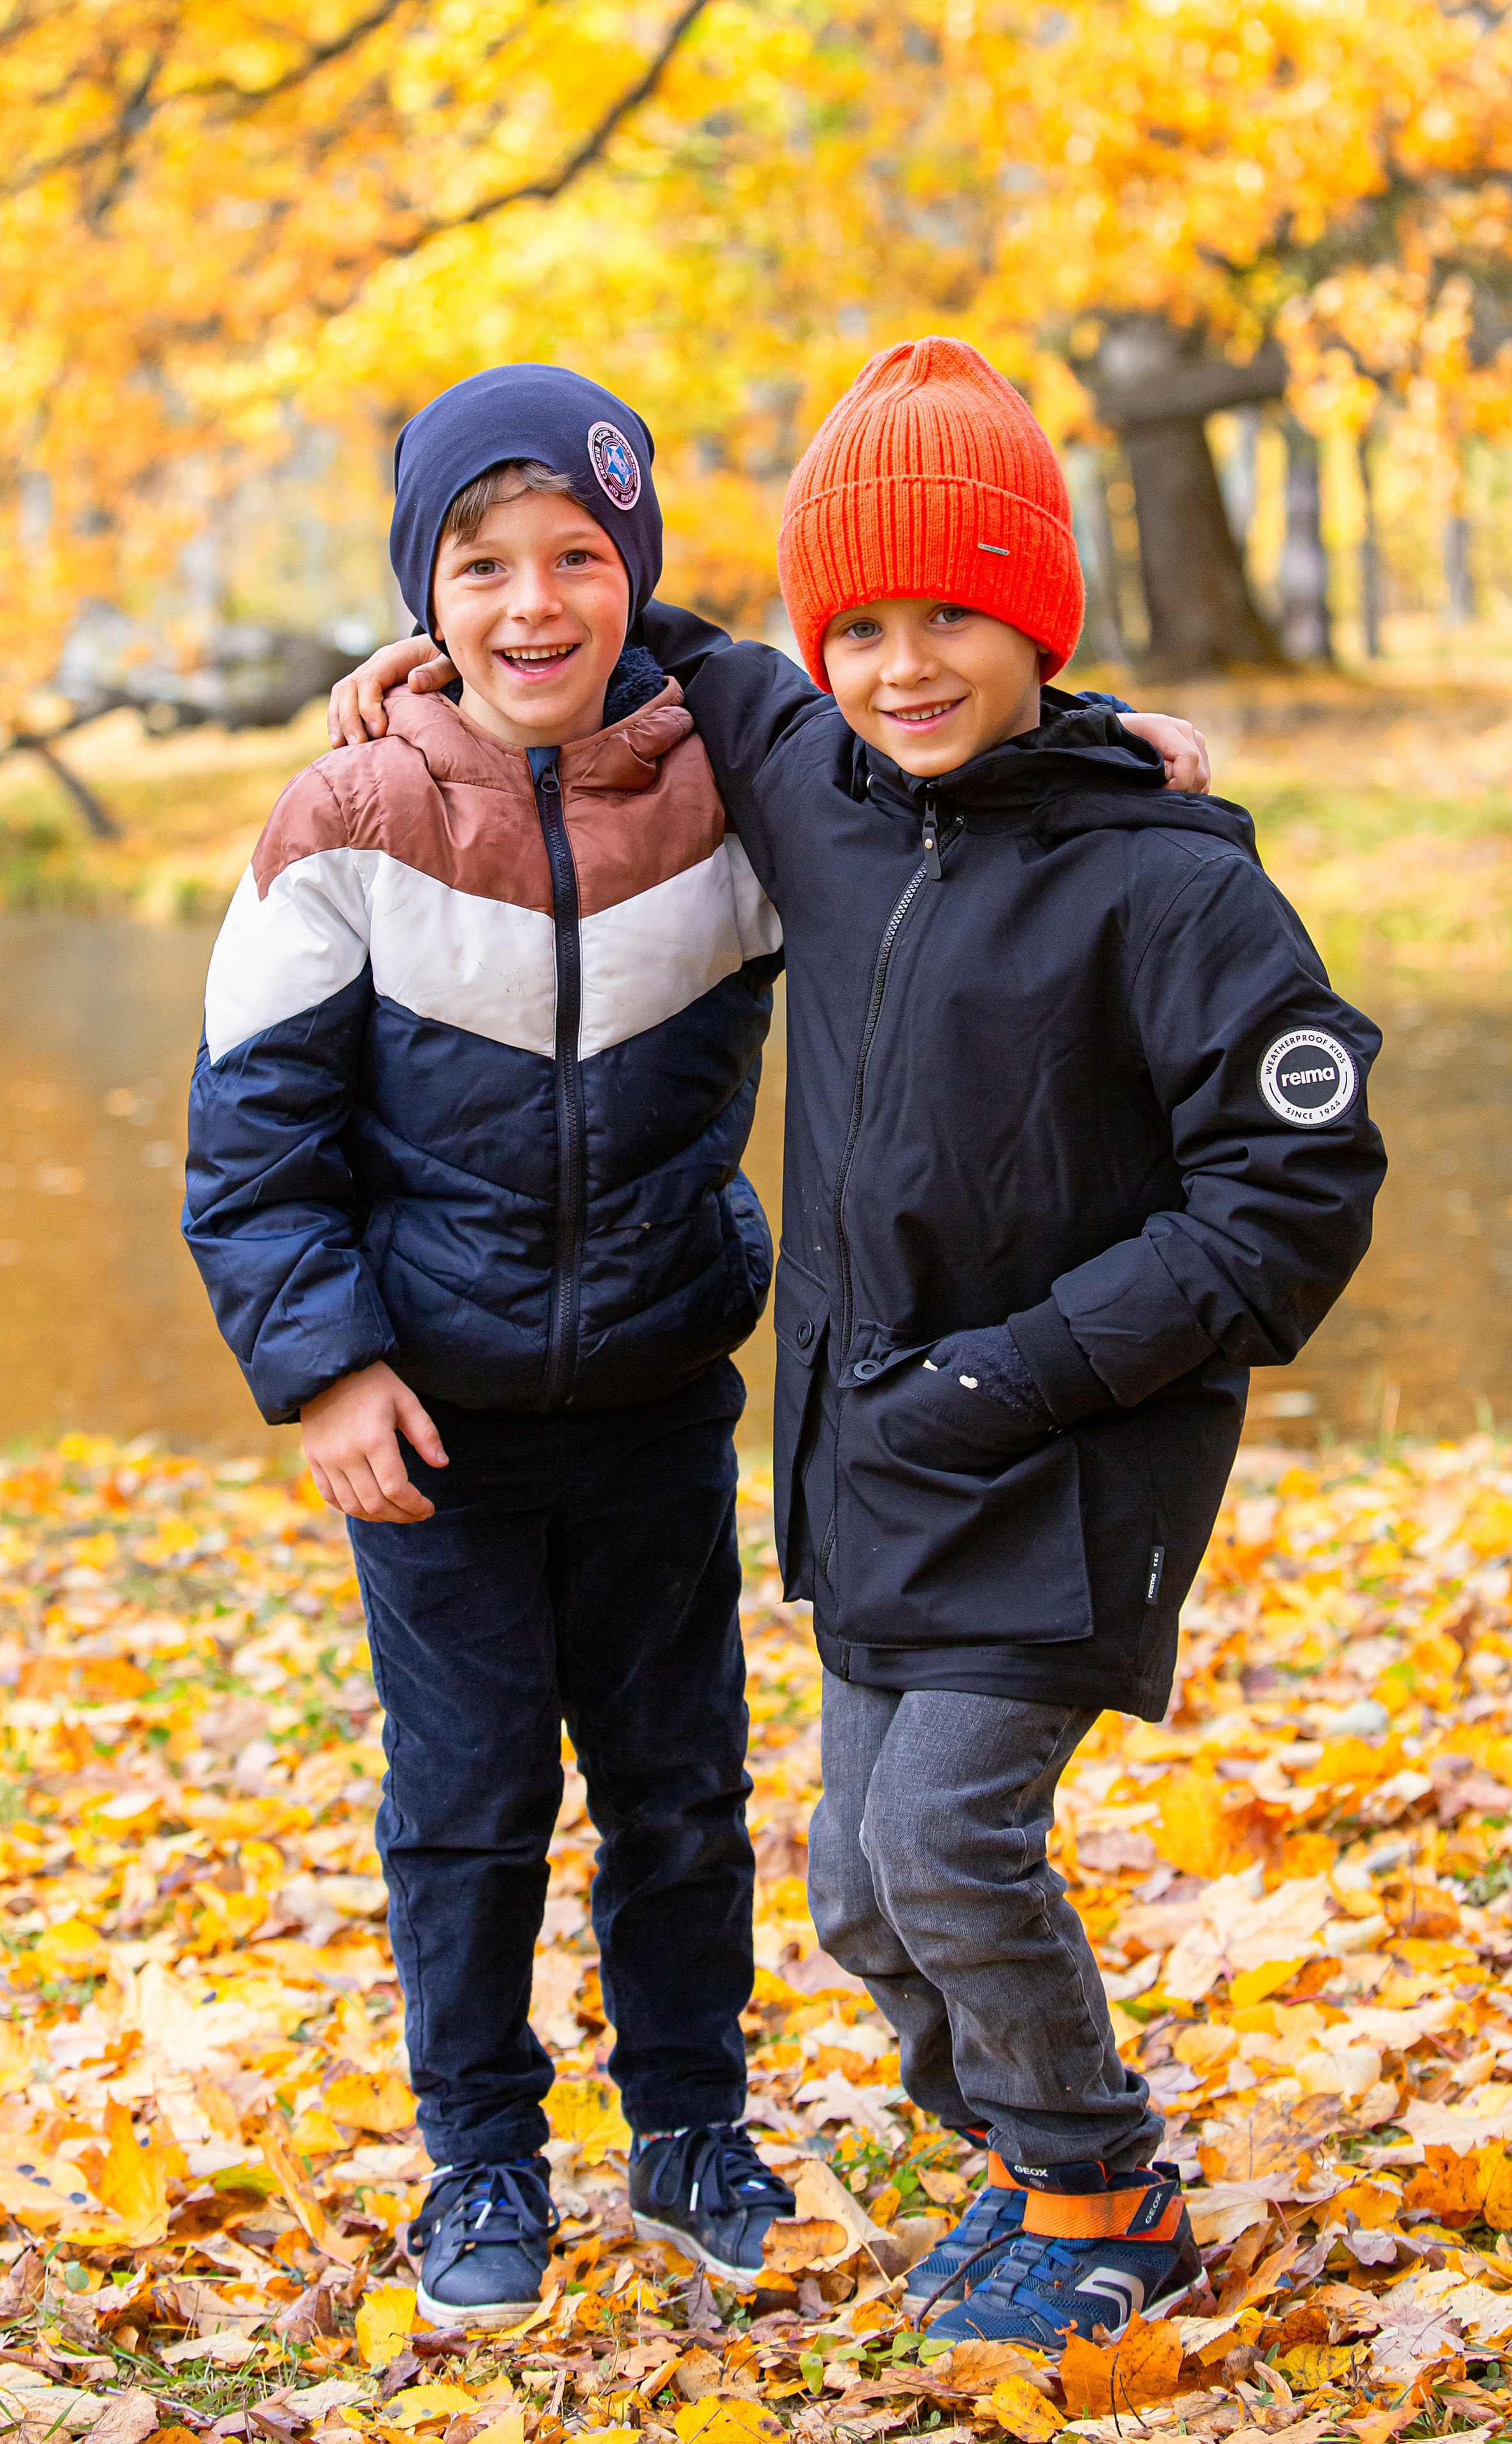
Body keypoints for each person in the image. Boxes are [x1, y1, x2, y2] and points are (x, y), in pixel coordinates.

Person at [330, 337, 1384, 2350]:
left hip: (1071, 1455)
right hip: (878, 1454)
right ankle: (1019, 2156)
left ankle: (1102, 2189)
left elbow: (1291, 1188)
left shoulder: (1165, 881)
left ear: (1041, 621)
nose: (906, 667)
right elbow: (633, 635)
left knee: (944, 1841)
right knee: (857, 1891)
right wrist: (430, 667)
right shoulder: (813, 779)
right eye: (867, 627)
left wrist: (1026, 1369)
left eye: (958, 619)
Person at [183, 363, 807, 2324]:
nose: (533, 603)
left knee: (680, 1788)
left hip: (656, 1398)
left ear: (637, 575)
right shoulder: (351, 814)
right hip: (432, 1425)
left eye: (577, 559)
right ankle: (480, 2160)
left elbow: (936, 767)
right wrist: (325, 1364)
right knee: (466, 1807)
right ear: (421, 598)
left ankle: (692, 2125)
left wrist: (1117, 744)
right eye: (481, 568)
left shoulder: (734, 794)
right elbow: (252, 1134)